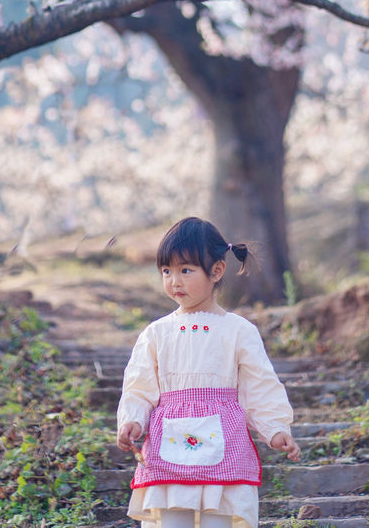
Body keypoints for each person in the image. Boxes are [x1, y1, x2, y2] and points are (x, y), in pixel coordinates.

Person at [116, 217, 300, 528]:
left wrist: (275, 428)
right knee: (173, 519)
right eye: (166, 271)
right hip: (168, 445)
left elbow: (260, 384)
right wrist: (133, 418)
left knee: (220, 518)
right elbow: (139, 385)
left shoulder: (239, 330)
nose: (175, 281)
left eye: (185, 270)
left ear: (216, 270)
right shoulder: (156, 333)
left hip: (224, 443)